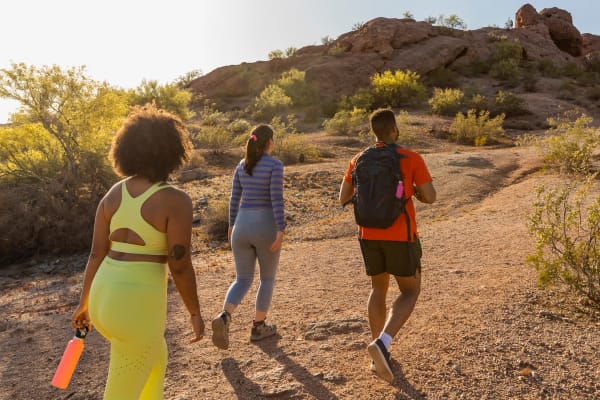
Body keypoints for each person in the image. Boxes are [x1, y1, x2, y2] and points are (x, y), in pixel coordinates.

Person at [71, 105, 205, 399]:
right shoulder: (175, 200)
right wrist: (194, 312)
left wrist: (85, 303)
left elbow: (95, 254)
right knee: (121, 392)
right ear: (172, 151)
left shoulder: (113, 193)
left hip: (104, 298)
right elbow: (180, 265)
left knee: (156, 358)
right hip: (135, 305)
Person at [338, 108, 436, 383]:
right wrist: (412, 191)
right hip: (400, 235)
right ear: (394, 129)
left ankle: (376, 353)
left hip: (368, 235)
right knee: (410, 291)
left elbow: (343, 196)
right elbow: (430, 196)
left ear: (374, 132)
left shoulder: (358, 159)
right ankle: (382, 344)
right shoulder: (410, 157)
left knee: (378, 288)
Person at [211, 124, 285, 350]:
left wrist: (231, 226)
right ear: (269, 142)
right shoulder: (274, 165)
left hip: (241, 226)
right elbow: (276, 199)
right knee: (267, 279)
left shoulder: (242, 165)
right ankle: (258, 327)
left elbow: (234, 198)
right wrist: (281, 229)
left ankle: (224, 317)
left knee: (242, 279)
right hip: (265, 226)